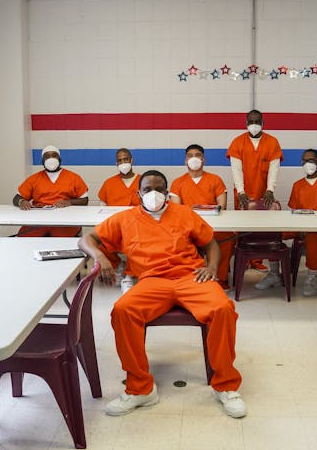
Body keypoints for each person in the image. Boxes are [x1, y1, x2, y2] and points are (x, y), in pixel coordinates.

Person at [78, 170, 246, 419]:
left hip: (190, 277)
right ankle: (140, 389)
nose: (153, 194)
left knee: (222, 308)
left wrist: (211, 267)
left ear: (167, 193)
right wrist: (100, 256)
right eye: (147, 189)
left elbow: (210, 243)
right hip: (152, 281)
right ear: (138, 193)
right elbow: (86, 239)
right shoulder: (125, 219)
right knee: (123, 311)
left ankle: (226, 385)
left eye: (159, 189)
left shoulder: (184, 213)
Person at [259, 148, 317, 296]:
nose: (308, 164)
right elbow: (293, 211)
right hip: (301, 227)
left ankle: (311, 277)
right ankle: (275, 274)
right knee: (273, 232)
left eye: (311, 160)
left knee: (312, 234)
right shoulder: (298, 185)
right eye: (304, 161)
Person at [227, 109, 284, 276]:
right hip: (243, 191)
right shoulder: (237, 142)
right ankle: (245, 259)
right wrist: (241, 191)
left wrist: (270, 190)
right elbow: (236, 169)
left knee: (262, 226)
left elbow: (274, 168)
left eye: (257, 121)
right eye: (251, 121)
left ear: (263, 123)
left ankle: (257, 260)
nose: (254, 125)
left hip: (263, 191)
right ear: (246, 123)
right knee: (242, 227)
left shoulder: (272, 142)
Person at [170, 144, 234, 290]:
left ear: (203, 159)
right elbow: (177, 210)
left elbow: (222, 205)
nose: (194, 158)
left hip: (214, 225)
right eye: (190, 155)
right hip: (189, 226)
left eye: (198, 155)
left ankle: (220, 277)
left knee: (227, 237)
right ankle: (189, 275)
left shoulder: (215, 180)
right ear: (185, 160)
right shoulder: (177, 183)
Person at [12, 145, 88, 237]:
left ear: (59, 159)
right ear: (42, 161)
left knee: (63, 244)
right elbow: (16, 197)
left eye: (54, 155)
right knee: (23, 241)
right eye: (47, 156)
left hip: (65, 220)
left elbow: (84, 200)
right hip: (38, 220)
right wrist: (22, 201)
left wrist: (69, 202)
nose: (51, 159)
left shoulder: (74, 177)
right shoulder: (34, 179)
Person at [97, 148, 140, 293]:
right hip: (116, 227)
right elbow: (102, 210)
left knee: (141, 245)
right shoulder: (109, 183)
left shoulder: (143, 181)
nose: (123, 163)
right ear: (116, 163)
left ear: (132, 160)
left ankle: (131, 272)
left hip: (138, 227)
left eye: (126, 159)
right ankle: (119, 265)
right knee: (102, 243)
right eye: (120, 160)